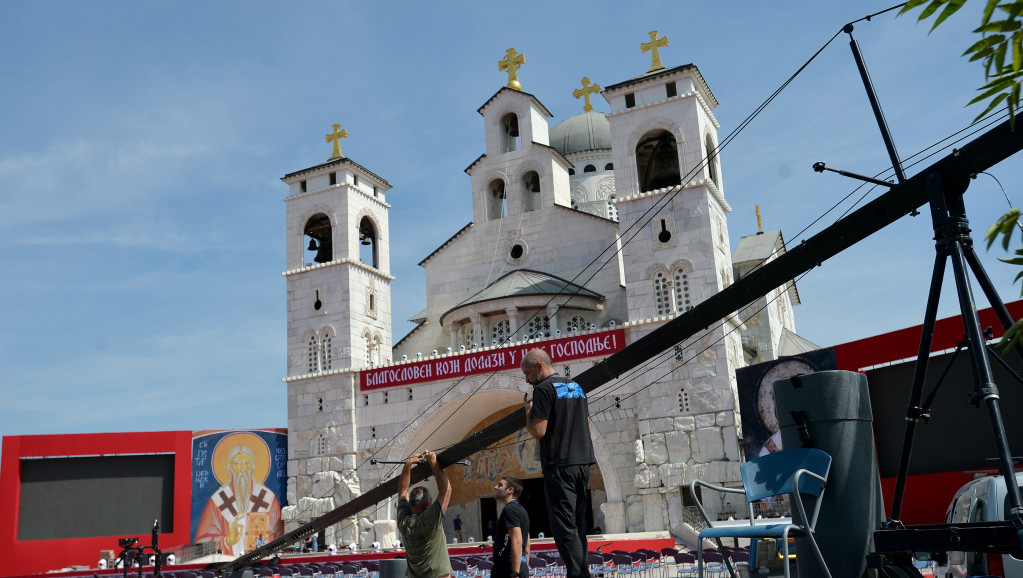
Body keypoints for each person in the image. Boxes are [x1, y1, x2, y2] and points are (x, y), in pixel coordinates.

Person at [522, 348, 595, 578]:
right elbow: (586, 423)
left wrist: (528, 413)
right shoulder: (577, 387)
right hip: (582, 463)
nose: (527, 379)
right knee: (578, 525)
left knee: (564, 527)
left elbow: (538, 431)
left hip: (560, 465)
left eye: (528, 373)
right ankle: (581, 572)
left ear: (539, 366)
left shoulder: (543, 390)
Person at [194, 444, 283, 555]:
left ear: (252, 467)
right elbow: (201, 545)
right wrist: (228, 541)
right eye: (236, 463)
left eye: (246, 463)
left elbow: (279, 537)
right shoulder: (218, 500)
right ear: (230, 468)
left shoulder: (268, 498)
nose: (242, 469)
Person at [397, 450, 454, 578]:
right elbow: (446, 490)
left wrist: (408, 463)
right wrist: (433, 463)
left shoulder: (403, 521)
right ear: (428, 504)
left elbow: (403, 491)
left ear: (411, 503)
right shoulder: (430, 518)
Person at [492, 476, 530, 578]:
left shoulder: (510, 510)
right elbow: (527, 542)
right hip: (517, 566)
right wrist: (523, 566)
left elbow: (517, 541)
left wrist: (515, 573)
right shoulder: (521, 510)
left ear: (510, 490)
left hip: (507, 568)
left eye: (500, 485)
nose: (496, 487)